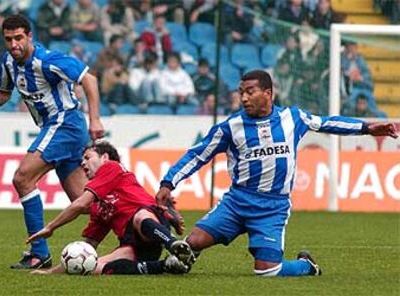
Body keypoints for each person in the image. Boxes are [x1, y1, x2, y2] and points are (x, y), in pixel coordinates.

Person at [155, 70, 399, 277]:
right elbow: (197, 155)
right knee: (192, 242)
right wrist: (169, 182)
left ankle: (306, 266)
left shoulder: (292, 118)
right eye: (241, 92)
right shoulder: (231, 127)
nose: (243, 98)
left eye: (250, 92)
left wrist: (367, 128)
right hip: (237, 202)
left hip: (272, 207)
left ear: (268, 93)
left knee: (267, 272)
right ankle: (188, 256)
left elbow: (327, 123)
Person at [0, 14, 105, 269]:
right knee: (85, 203)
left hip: (65, 123)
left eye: (19, 38)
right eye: (9, 39)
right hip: (59, 129)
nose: (14, 44)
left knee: (22, 178)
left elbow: (89, 79)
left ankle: (39, 253)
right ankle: (143, 216)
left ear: (29, 36)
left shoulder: (48, 60)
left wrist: (95, 119)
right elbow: (3, 94)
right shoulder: (8, 61)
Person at [26, 141, 193, 275]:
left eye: (87, 157)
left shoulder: (112, 167)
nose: (83, 163)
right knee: (95, 267)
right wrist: (51, 272)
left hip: (150, 226)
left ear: (105, 157)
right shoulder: (99, 207)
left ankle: (174, 245)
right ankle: (166, 265)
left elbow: (80, 204)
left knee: (139, 216)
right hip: (134, 243)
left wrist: (50, 227)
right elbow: (88, 246)